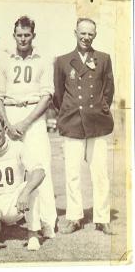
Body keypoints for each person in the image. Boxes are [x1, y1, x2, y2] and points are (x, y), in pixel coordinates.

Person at [0, 16, 57, 238]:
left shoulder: (43, 60)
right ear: (14, 36)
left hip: (34, 116)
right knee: (13, 166)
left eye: (27, 35)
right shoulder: (4, 61)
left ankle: (47, 221)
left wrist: (26, 122)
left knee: (40, 166)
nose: (23, 39)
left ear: (33, 36)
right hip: (10, 113)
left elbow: (47, 96)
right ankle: (14, 217)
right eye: (19, 35)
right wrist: (8, 125)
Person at [53, 18, 114, 235]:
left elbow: (108, 91)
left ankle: (102, 218)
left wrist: (98, 110)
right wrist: (69, 113)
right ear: (75, 33)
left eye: (90, 34)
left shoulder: (104, 59)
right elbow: (58, 95)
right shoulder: (62, 61)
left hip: (97, 124)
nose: (86, 37)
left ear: (95, 35)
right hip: (72, 124)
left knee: (100, 173)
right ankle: (74, 217)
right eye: (83, 33)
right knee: (72, 174)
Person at [0, 114, 45, 250]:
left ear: (5, 130)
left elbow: (40, 171)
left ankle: (33, 235)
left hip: (16, 201)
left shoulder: (18, 147)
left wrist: (25, 193)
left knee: (33, 188)